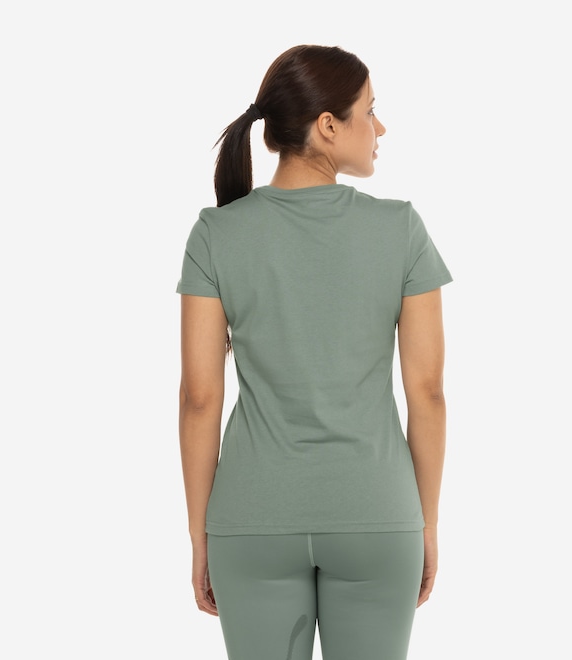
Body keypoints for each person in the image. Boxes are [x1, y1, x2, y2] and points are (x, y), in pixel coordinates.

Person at [176, 44, 452, 660]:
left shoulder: (216, 234)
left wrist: (200, 536)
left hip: (251, 520)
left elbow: (199, 398)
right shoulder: (401, 229)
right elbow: (427, 393)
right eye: (370, 111)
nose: (380, 128)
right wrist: (426, 523)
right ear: (329, 125)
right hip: (377, 516)